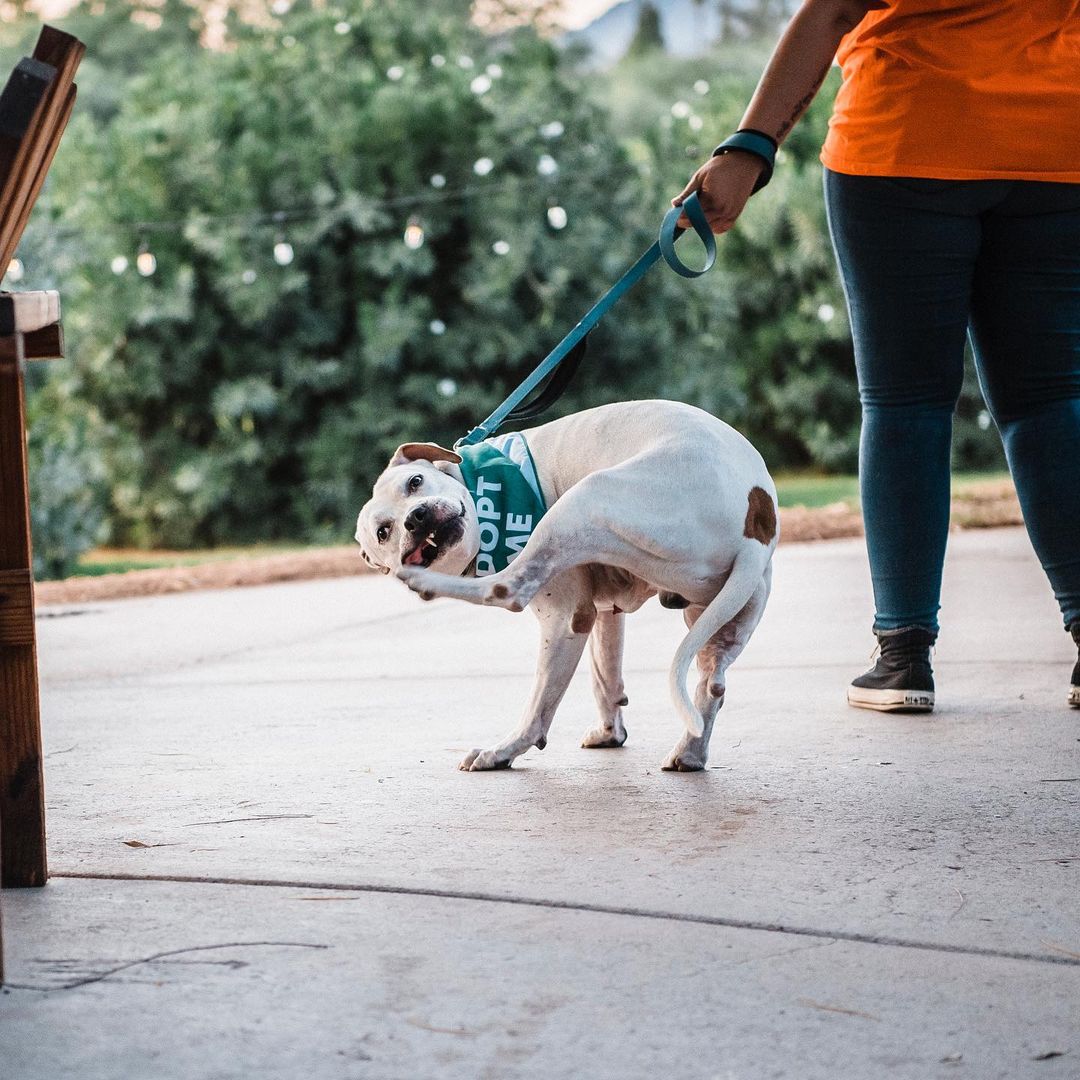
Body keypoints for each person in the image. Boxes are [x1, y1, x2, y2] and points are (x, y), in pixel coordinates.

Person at [672, 0, 1080, 713]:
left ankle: (903, 656)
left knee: (906, 403)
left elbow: (832, 11)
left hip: (903, 142)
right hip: (1056, 147)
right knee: (1047, 401)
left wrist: (750, 148)